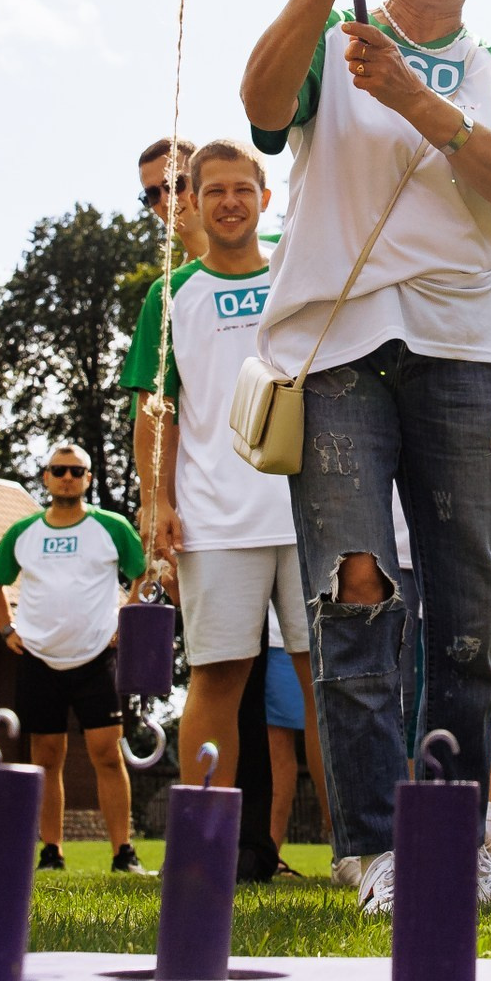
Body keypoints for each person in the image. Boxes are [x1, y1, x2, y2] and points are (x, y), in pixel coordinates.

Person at [240, 0, 491, 915]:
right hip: (338, 348)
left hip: (465, 352)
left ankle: (454, 842)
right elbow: (263, 112)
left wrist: (420, 101)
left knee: (469, 605)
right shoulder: (337, 41)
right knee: (355, 588)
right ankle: (374, 849)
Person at [122, 140, 346, 881]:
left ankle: (361, 852)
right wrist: (157, 499)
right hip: (217, 516)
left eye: (241, 188)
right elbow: (157, 407)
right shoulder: (169, 293)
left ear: (265, 195)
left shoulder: (299, 262)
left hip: (314, 507)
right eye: (210, 189)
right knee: (217, 676)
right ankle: (205, 846)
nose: (227, 201)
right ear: (191, 198)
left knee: (330, 680)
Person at [0, 444, 152, 875]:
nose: (67, 477)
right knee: (46, 757)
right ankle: (51, 853)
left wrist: (127, 619)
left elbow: (143, 571)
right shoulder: (23, 532)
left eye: (76, 471)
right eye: (59, 470)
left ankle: (123, 854)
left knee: (108, 754)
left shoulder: (110, 527)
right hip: (39, 656)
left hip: (97, 656)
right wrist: (7, 629)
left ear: (89, 479)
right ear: (45, 477)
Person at [263, 610, 327, 864]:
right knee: (274, 747)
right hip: (267, 636)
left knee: (326, 731)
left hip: (312, 631)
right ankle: (268, 852)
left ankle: (344, 850)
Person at [139, 137, 207, 264]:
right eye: (152, 194)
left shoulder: (256, 248)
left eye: (175, 183)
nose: (166, 201)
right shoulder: (175, 283)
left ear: (203, 177)